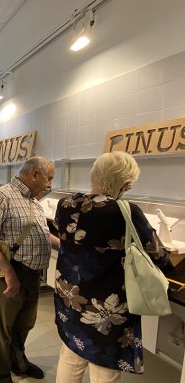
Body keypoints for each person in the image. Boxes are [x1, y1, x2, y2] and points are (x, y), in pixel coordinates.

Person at [54, 151, 168, 382]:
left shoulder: (65, 204)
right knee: (104, 368)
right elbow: (157, 253)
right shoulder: (126, 212)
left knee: (71, 355)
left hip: (70, 297)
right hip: (106, 308)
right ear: (125, 184)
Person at [0, 156, 60, 383]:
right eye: (48, 178)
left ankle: (18, 363)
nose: (50, 184)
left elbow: (40, 232)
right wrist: (8, 272)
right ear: (34, 175)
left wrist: (62, 245)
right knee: (1, 329)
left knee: (24, 324)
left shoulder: (33, 200)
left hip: (32, 273)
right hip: (10, 273)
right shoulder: (2, 196)